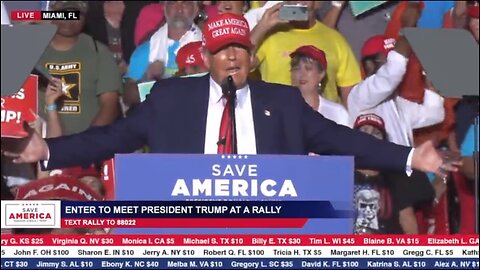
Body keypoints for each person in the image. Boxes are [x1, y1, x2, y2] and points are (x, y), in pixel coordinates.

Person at [3, 13, 457, 179]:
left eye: (240, 49)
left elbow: (343, 140)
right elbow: (112, 138)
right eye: (223, 52)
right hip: (186, 237)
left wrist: (407, 158)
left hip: (269, 236)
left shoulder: (283, 103)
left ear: (253, 58)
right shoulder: (169, 99)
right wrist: (49, 149)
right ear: (208, 58)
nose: (233, 59)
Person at [37, 1, 123, 135]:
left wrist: (86, 144)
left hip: (85, 145)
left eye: (77, 15)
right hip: (38, 144)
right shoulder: (32, 49)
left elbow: (110, 105)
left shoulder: (99, 52)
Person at [252, 1, 361, 105]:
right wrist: (262, 26)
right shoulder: (269, 36)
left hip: (325, 120)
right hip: (279, 120)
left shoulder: (336, 39)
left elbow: (352, 95)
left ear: (317, 3)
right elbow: (241, 64)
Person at [123, 1, 202, 107]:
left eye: (186, 3)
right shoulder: (146, 50)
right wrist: (147, 78)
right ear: (164, 8)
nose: (179, 9)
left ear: (196, 9)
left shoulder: (209, 49)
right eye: (172, 3)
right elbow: (127, 98)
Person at [289, 45, 349, 126]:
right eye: (296, 68)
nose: (301, 73)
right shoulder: (281, 111)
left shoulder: (337, 112)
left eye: (308, 68)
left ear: (321, 74)